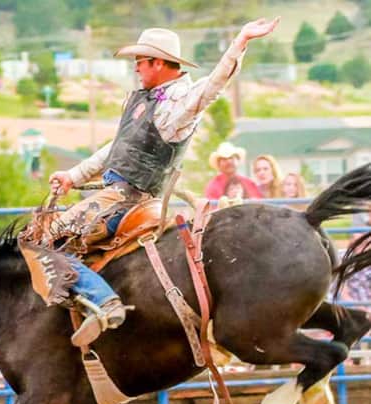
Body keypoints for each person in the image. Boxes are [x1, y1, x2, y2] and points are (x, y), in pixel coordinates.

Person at [26, 18, 280, 347]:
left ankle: (102, 301)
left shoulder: (178, 104)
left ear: (158, 63)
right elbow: (115, 148)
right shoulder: (143, 100)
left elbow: (213, 86)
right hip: (114, 194)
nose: (136, 69)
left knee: (40, 240)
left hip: (126, 198)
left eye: (140, 62)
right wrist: (73, 176)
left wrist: (240, 41)